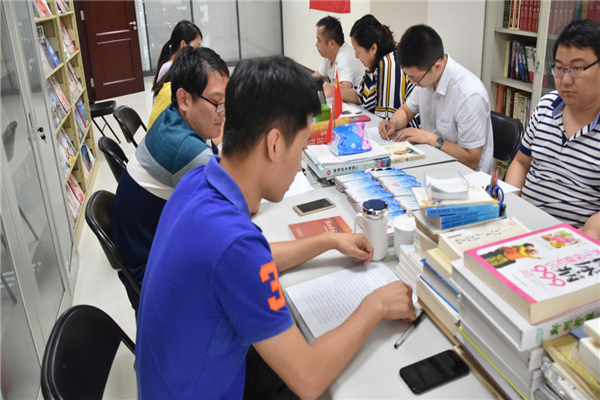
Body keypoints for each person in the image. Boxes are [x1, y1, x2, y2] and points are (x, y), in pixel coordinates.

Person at [135, 56, 416, 399]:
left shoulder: (198, 181)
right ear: (274, 144)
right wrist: (377, 305)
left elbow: (254, 259)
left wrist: (329, 240)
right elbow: (309, 379)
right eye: (301, 148)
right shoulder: (234, 245)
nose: (299, 165)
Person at [112, 47, 228, 310]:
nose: (223, 113)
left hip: (149, 249)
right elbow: (240, 203)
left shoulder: (173, 117)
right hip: (153, 276)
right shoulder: (185, 148)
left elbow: (218, 161)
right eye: (217, 103)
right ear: (184, 99)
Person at [505, 19, 600, 239]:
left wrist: (589, 234)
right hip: (520, 226)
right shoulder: (547, 105)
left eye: (576, 68)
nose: (565, 80)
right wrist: (510, 205)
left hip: (569, 240)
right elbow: (521, 162)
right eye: (559, 68)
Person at [379, 24, 494, 173]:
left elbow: (471, 160)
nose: (412, 83)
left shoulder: (469, 95)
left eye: (415, 78)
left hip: (465, 176)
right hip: (434, 163)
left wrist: (429, 138)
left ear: (437, 66)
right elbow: (406, 111)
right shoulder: (426, 79)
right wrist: (393, 124)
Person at [330, 15, 418, 128]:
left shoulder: (389, 64)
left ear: (373, 49)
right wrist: (333, 91)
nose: (356, 56)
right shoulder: (375, 65)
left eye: (358, 52)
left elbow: (387, 120)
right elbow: (360, 95)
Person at [151, 20, 202, 101]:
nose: (197, 52)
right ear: (183, 45)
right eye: (196, 47)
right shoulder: (169, 68)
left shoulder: (176, 65)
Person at [313, 16, 364, 93]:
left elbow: (346, 87)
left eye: (319, 41)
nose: (316, 45)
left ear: (331, 43)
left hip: (359, 99)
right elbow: (318, 75)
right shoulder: (330, 55)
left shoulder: (344, 58)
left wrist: (328, 87)